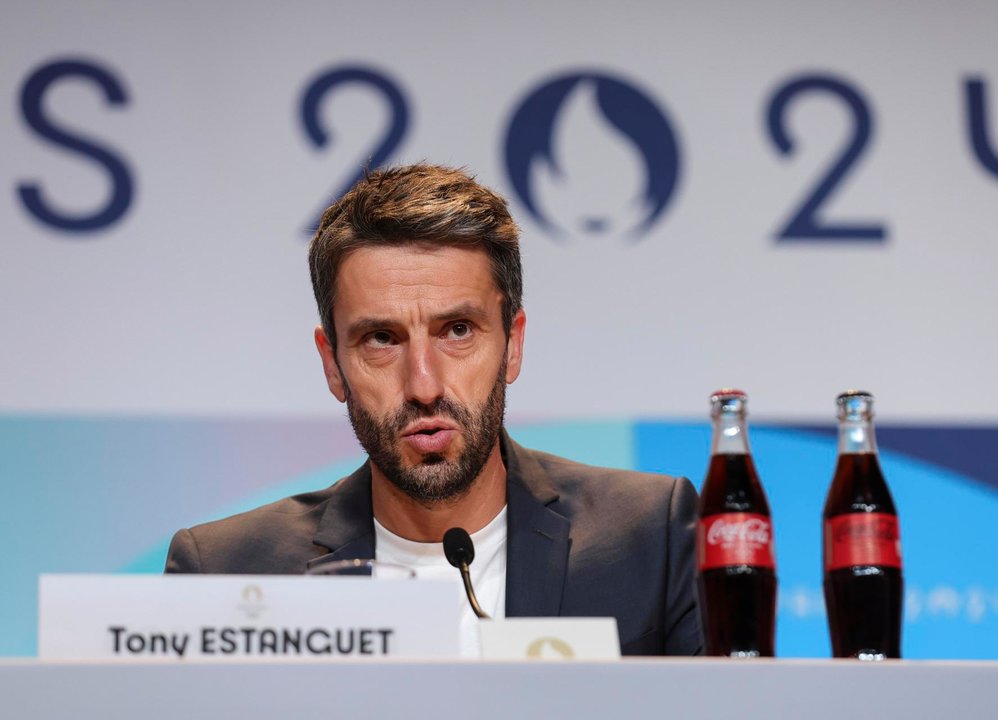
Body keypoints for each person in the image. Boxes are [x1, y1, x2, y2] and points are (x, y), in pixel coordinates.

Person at [165, 163, 702, 656]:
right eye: (381, 338)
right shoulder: (225, 572)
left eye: (458, 331)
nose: (423, 384)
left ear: (512, 345)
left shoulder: (649, 535)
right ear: (332, 365)